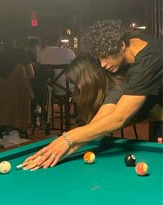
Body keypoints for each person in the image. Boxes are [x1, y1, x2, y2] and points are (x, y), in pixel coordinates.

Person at [21, 19, 162, 171]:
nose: (102, 65)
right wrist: (66, 148)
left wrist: (68, 138)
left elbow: (118, 119)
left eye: (106, 56)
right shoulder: (125, 57)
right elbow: (103, 118)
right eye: (99, 58)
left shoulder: (148, 61)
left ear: (122, 46)